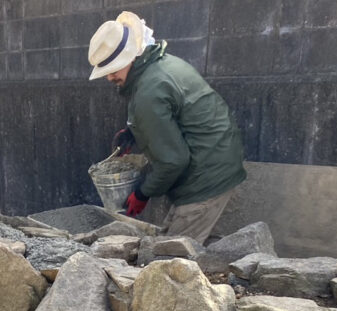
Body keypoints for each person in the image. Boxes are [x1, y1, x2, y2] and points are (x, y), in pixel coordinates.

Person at [88, 11, 246, 243]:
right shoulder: (160, 65)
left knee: (171, 260)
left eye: (112, 70)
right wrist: (135, 132)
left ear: (130, 57)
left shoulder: (148, 92)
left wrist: (142, 193)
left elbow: (173, 160)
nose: (109, 78)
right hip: (214, 158)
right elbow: (177, 114)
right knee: (174, 242)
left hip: (207, 176)